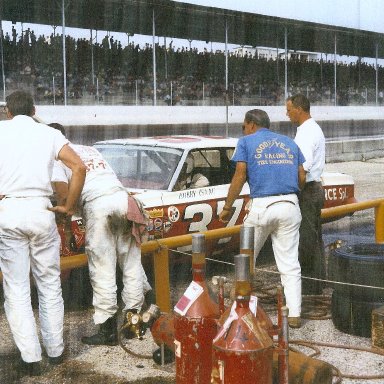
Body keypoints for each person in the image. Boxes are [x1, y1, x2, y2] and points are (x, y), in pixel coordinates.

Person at [0, 91, 86, 376]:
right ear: (34, 109)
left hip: (9, 210)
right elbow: (79, 167)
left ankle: (31, 358)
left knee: (17, 289)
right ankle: (56, 350)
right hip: (41, 210)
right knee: (49, 284)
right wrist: (69, 206)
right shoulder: (48, 133)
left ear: (8, 112)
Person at [50, 125, 152, 346]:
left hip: (98, 206)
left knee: (103, 268)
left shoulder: (55, 157)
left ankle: (107, 331)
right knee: (132, 265)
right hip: (124, 200)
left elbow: (63, 195)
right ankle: (133, 325)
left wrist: (66, 224)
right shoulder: (89, 150)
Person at [219, 109, 306, 328]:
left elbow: (239, 175)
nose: (243, 130)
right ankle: (294, 314)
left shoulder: (247, 142)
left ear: (250, 124)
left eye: (243, 126)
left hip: (262, 206)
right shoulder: (290, 143)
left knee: (247, 259)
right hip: (289, 204)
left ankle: (241, 308)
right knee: (289, 263)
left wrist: (228, 207)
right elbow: (302, 176)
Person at [286, 94, 326, 295]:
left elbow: (303, 168)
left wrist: (295, 190)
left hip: (308, 190)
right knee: (315, 238)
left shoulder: (306, 133)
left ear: (299, 109)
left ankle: (308, 287)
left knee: (306, 240)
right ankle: (317, 284)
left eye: (289, 110)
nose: (287, 114)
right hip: (315, 188)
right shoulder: (311, 128)